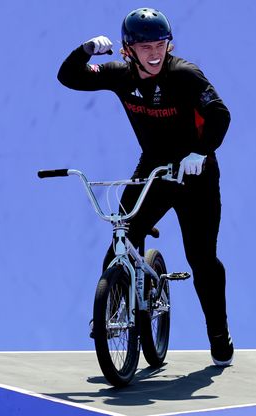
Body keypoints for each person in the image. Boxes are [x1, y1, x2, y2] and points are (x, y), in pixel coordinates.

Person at [57, 7, 234, 366]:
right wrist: (85, 50)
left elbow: (220, 113)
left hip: (194, 174)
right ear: (127, 49)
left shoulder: (185, 74)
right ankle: (112, 316)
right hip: (152, 168)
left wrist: (201, 150)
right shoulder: (120, 75)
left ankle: (218, 333)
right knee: (121, 240)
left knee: (201, 259)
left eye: (160, 44)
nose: (154, 53)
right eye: (145, 46)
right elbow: (70, 78)